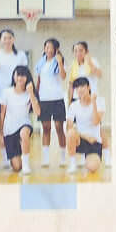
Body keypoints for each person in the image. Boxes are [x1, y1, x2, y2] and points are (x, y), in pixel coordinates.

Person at [67, 40, 109, 163]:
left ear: (86, 52)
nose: (78, 53)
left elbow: (99, 74)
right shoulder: (73, 65)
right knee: (77, 128)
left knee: (98, 128)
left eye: (81, 50)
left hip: (92, 99)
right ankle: (80, 156)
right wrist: (70, 101)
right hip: (77, 99)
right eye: (75, 51)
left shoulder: (92, 61)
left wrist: (89, 62)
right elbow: (71, 85)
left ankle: (107, 155)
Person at [0, 64, 40, 174]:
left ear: (27, 78)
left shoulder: (30, 93)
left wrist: (31, 93)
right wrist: (0, 132)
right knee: (16, 167)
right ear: (14, 76)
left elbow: (37, 112)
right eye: (18, 75)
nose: (20, 78)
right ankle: (18, 157)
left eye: (23, 75)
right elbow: (2, 114)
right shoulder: (6, 92)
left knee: (24, 133)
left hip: (24, 125)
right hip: (9, 129)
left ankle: (26, 165)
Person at [34, 37, 68, 167]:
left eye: (50, 47)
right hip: (44, 100)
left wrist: (59, 62)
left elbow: (63, 77)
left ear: (56, 49)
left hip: (57, 99)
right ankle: (46, 158)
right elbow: (39, 80)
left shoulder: (59, 61)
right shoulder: (41, 62)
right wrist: (36, 96)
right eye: (46, 47)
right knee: (46, 128)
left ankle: (63, 157)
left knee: (59, 128)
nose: (48, 49)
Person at [0, 27, 28, 130]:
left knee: (17, 120)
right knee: (2, 121)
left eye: (9, 38)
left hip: (17, 92)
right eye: (4, 38)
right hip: (0, 91)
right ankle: (2, 140)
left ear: (13, 39)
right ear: (0, 40)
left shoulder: (21, 55)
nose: (7, 40)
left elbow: (25, 74)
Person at [65, 76, 104, 175]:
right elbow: (69, 128)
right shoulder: (73, 106)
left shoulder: (99, 102)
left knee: (92, 167)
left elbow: (96, 122)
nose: (80, 89)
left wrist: (93, 103)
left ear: (89, 87)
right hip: (81, 140)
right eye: (77, 87)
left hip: (94, 141)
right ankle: (73, 164)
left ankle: (86, 158)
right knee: (70, 133)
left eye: (82, 86)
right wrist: (85, 136)